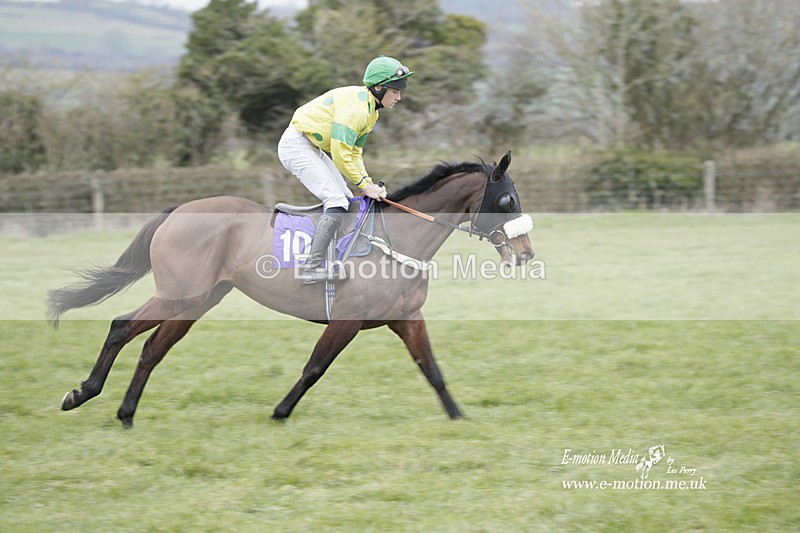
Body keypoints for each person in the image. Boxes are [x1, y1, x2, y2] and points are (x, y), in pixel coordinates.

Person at [278, 55, 414, 283]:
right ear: (379, 88)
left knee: (346, 199)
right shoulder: (359, 109)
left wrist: (368, 183)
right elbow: (340, 153)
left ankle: (334, 258)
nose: (399, 97)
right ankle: (311, 268)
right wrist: (365, 185)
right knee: (336, 201)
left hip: (312, 146)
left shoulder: (372, 111)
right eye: (395, 90)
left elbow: (354, 153)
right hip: (297, 145)